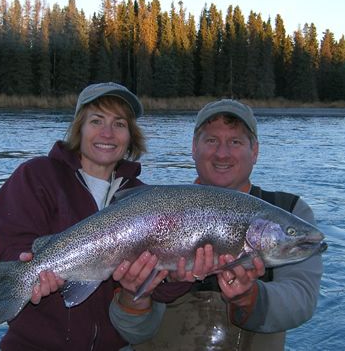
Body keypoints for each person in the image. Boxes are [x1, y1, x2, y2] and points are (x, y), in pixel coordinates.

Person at [0, 82, 189, 350]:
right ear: (79, 129)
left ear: (130, 136)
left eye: (119, 124)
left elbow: (159, 290)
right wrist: (24, 263)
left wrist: (177, 279)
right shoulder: (37, 176)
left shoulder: (144, 199)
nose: (107, 133)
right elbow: (11, 245)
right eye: (96, 121)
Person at [126, 99, 324, 350]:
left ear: (255, 151)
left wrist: (249, 297)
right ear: (194, 149)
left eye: (235, 141)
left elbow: (302, 299)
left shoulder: (289, 211)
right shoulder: (148, 214)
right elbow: (127, 329)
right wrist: (144, 293)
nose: (222, 153)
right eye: (211, 141)